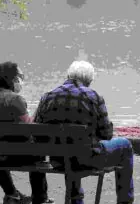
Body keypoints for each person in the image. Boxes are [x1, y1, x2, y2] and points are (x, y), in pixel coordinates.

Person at [33, 60, 134, 204]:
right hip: (88, 160)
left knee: (70, 148)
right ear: (89, 80)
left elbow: (37, 132)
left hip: (58, 160)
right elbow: (106, 134)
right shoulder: (93, 96)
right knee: (125, 145)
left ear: (68, 75)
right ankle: (126, 201)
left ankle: (76, 199)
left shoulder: (47, 96)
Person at [0, 62, 55, 204]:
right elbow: (30, 128)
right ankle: (40, 198)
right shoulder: (15, 99)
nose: (21, 80)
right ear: (11, 78)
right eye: (20, 77)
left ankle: (11, 193)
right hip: (18, 155)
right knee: (38, 150)